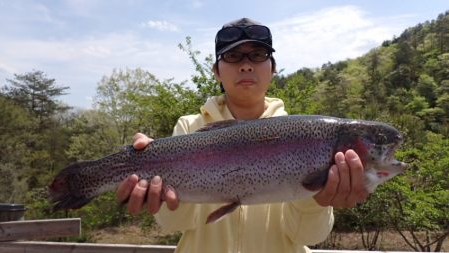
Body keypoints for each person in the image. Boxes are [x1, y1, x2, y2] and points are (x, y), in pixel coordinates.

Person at [116, 18, 368, 253]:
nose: (246, 65)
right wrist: (158, 195)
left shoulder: (305, 138)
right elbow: (175, 224)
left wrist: (317, 198)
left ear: (273, 68)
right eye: (233, 56)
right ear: (216, 71)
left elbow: (308, 236)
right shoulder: (189, 128)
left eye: (258, 55)